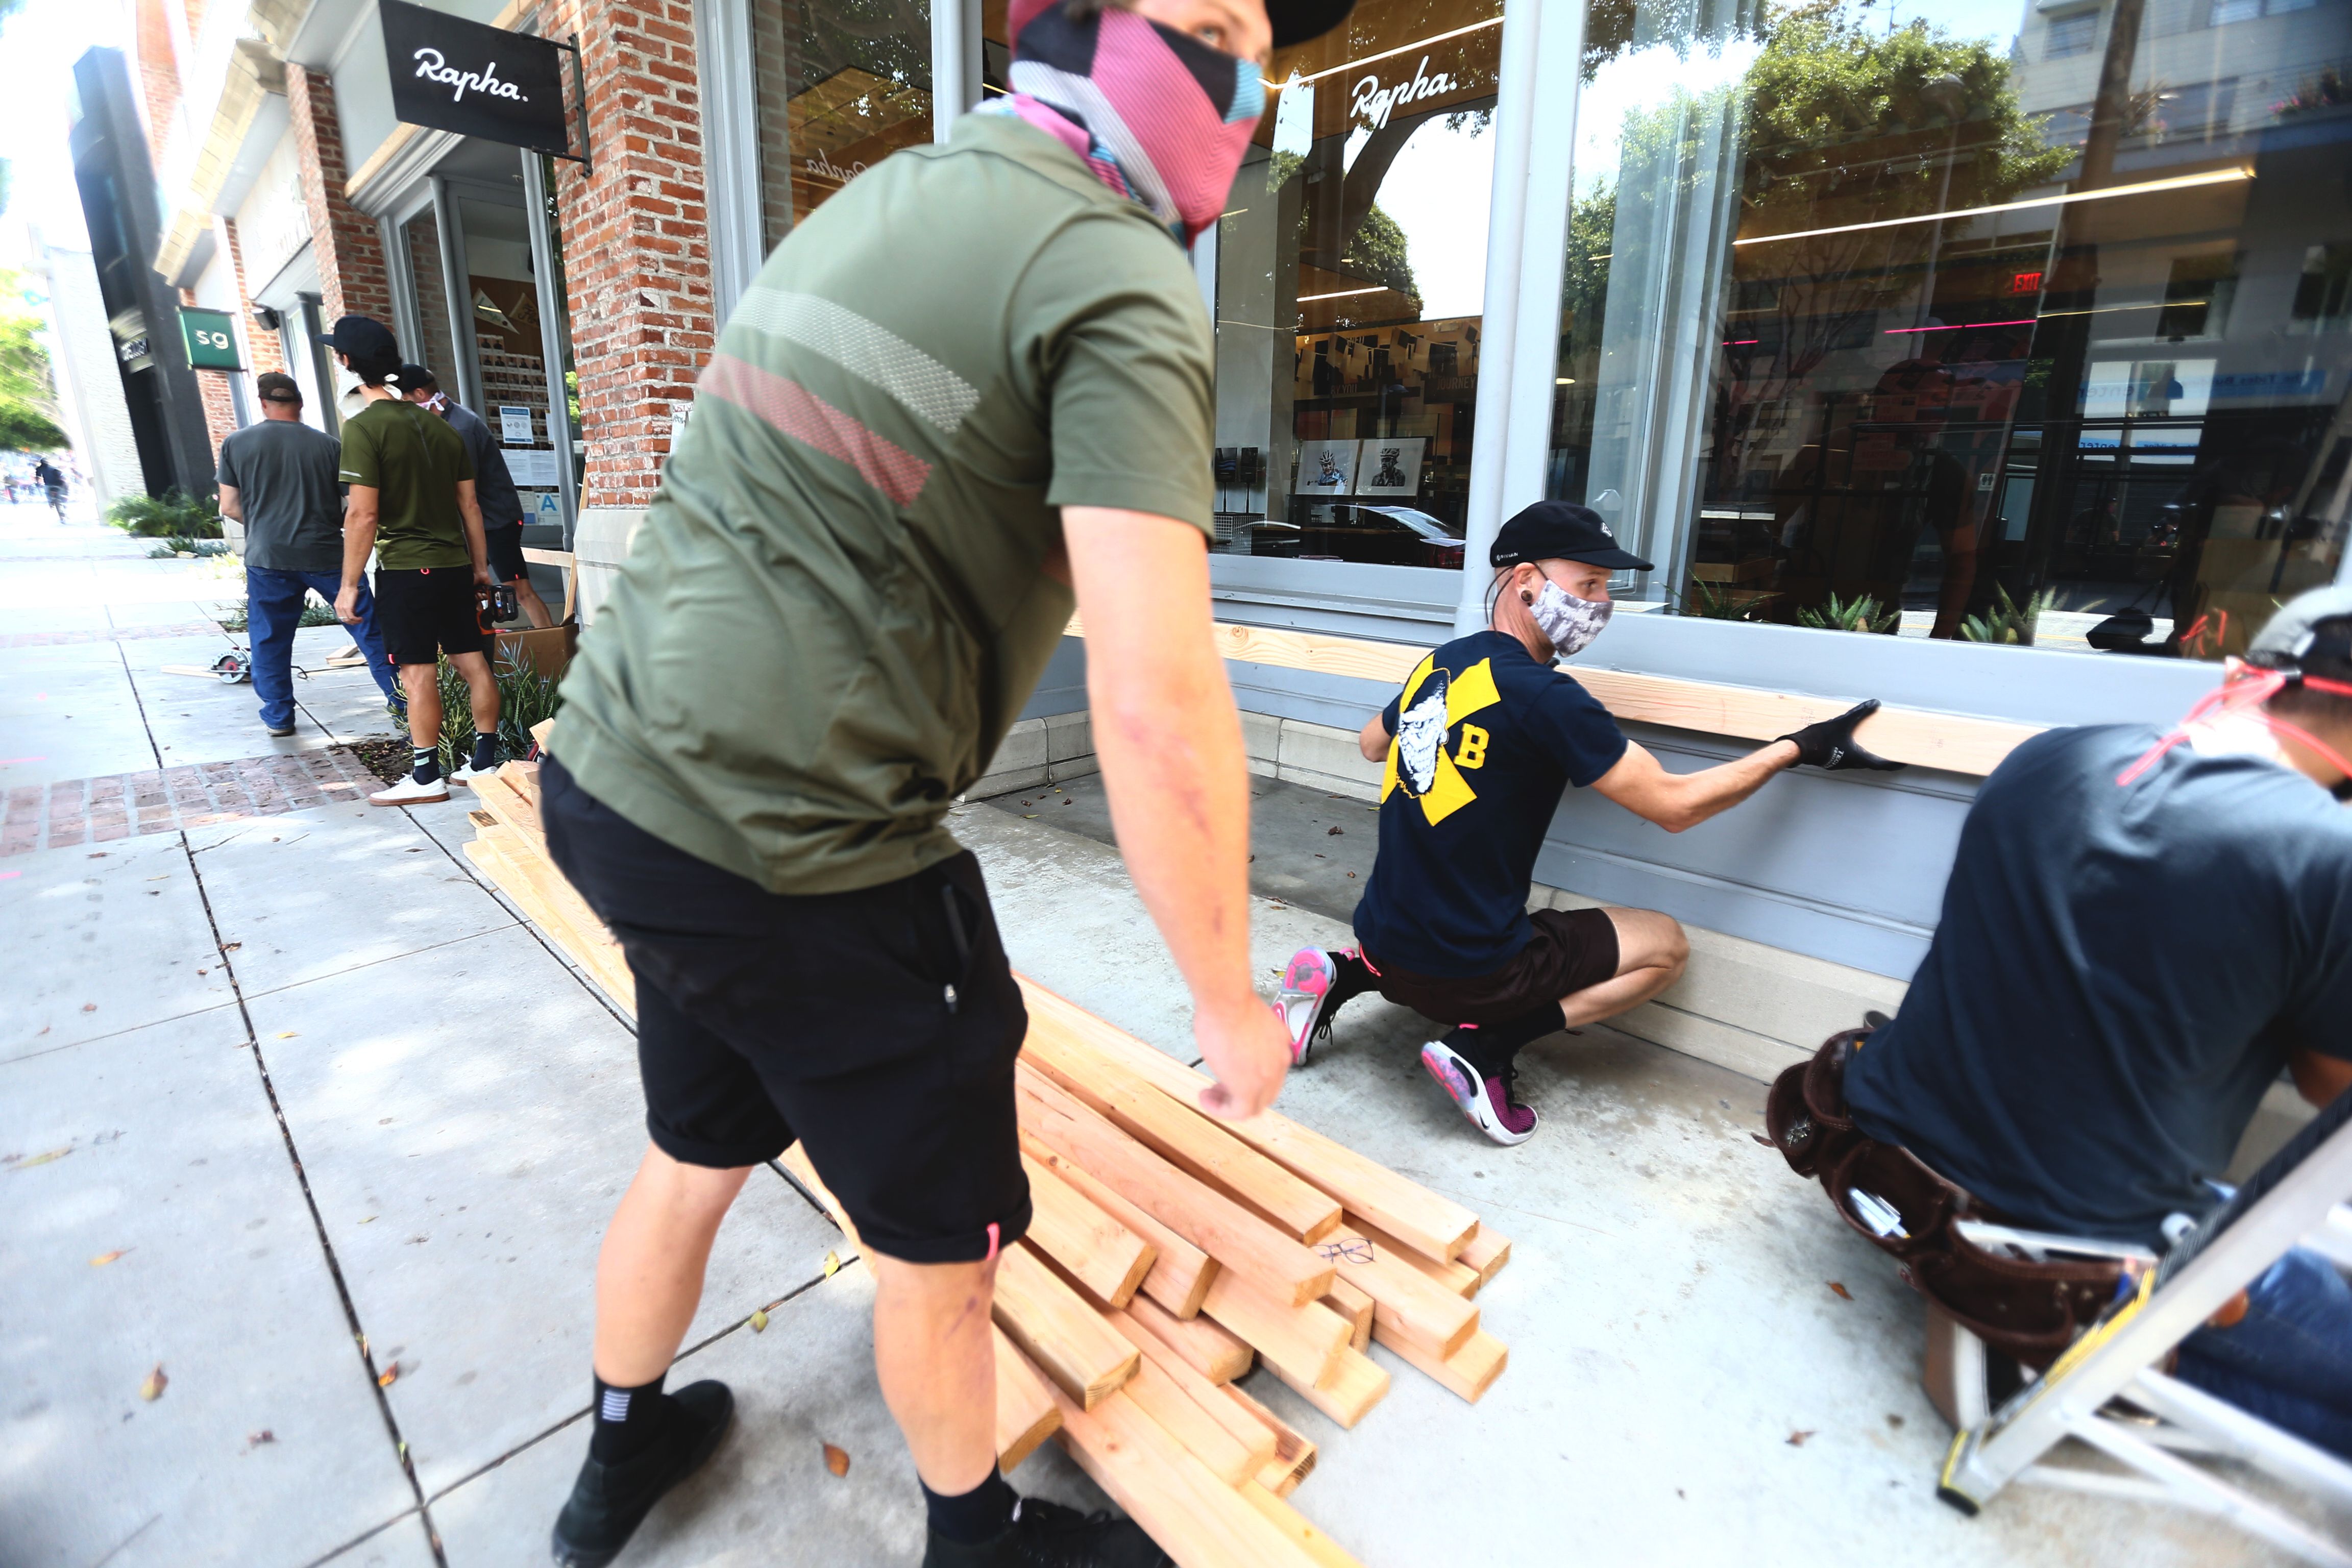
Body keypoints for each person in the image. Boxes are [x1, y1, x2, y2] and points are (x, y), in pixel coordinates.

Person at [535, 0, 1348, 1561]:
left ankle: (616, 1464)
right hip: (803, 848)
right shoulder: (1113, 273)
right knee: (944, 1248)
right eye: (1215, 20)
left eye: (1261, 37)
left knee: (698, 1147)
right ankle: (974, 1541)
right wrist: (1230, 996)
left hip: (621, 780)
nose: (1249, 71)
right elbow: (1157, 694)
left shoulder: (904, 190)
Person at [1828, 584, 2352, 1455]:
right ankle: (2078, 1363)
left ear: (2247, 674)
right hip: (2070, 1247)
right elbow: (2328, 1085)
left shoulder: (2051, 755)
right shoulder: (2323, 855)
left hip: (1893, 1153)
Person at [1278, 500, 1902, 1146]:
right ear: (1526, 581)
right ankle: (1488, 1047)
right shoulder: (1548, 698)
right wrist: (1799, 746)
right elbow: (1676, 806)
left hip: (1381, 935)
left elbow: (1371, 744)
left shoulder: (1446, 662)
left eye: (1606, 589)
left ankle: (1344, 970)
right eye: (1589, 585)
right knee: (1665, 946)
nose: (1602, 604)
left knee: (1425, 925)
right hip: (1468, 976)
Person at [317, 316, 503, 806]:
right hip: (454, 565)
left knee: (417, 672)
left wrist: (348, 583)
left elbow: (363, 513)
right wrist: (480, 569)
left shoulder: (363, 429)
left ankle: (426, 778)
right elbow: (472, 507)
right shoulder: (442, 429)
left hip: (406, 569)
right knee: (472, 662)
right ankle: (486, 760)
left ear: (348, 362)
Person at [216, 372, 404, 736]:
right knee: (369, 631)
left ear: (262, 402)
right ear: (300, 404)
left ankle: (279, 717)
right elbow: (356, 504)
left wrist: (265, 525)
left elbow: (229, 505)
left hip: (267, 556)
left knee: (270, 639)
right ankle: (404, 705)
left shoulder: (236, 443)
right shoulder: (330, 445)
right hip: (327, 553)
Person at [400, 365, 555, 630]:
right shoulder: (444, 423)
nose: (404, 408)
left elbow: (464, 489)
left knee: (518, 590)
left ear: (419, 394)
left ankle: (557, 651)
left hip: (496, 521)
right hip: (474, 522)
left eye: (405, 401)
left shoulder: (461, 428)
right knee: (470, 589)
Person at [34, 456, 66, 521]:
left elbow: (38, 477)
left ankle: (51, 502)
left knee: (48, 495)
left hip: (48, 485)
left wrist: (38, 483)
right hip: (58, 485)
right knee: (61, 497)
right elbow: (61, 476)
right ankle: (63, 501)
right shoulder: (53, 468)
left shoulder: (40, 469)